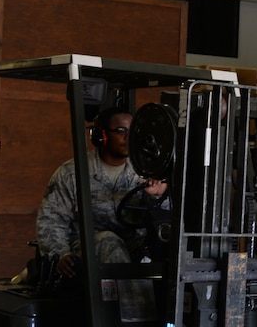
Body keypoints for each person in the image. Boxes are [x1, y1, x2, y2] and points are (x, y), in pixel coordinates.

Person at [36, 108, 168, 313]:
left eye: (132, 132)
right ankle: (129, 319)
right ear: (100, 135)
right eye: (121, 131)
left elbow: (163, 218)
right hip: (86, 246)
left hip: (133, 243)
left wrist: (157, 196)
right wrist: (59, 253)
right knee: (109, 242)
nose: (127, 138)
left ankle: (167, 325)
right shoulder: (73, 173)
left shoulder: (144, 171)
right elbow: (51, 221)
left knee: (168, 249)